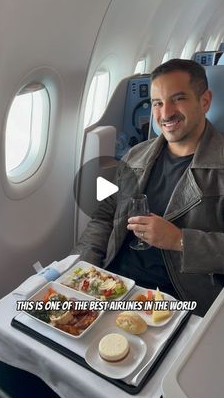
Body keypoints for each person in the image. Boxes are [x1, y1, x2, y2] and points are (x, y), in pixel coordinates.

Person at [72, 59, 224, 317]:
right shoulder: (135, 156)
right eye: (157, 103)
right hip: (115, 285)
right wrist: (83, 268)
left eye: (178, 99)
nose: (166, 113)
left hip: (178, 301)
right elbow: (104, 216)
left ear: (205, 101)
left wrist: (180, 240)